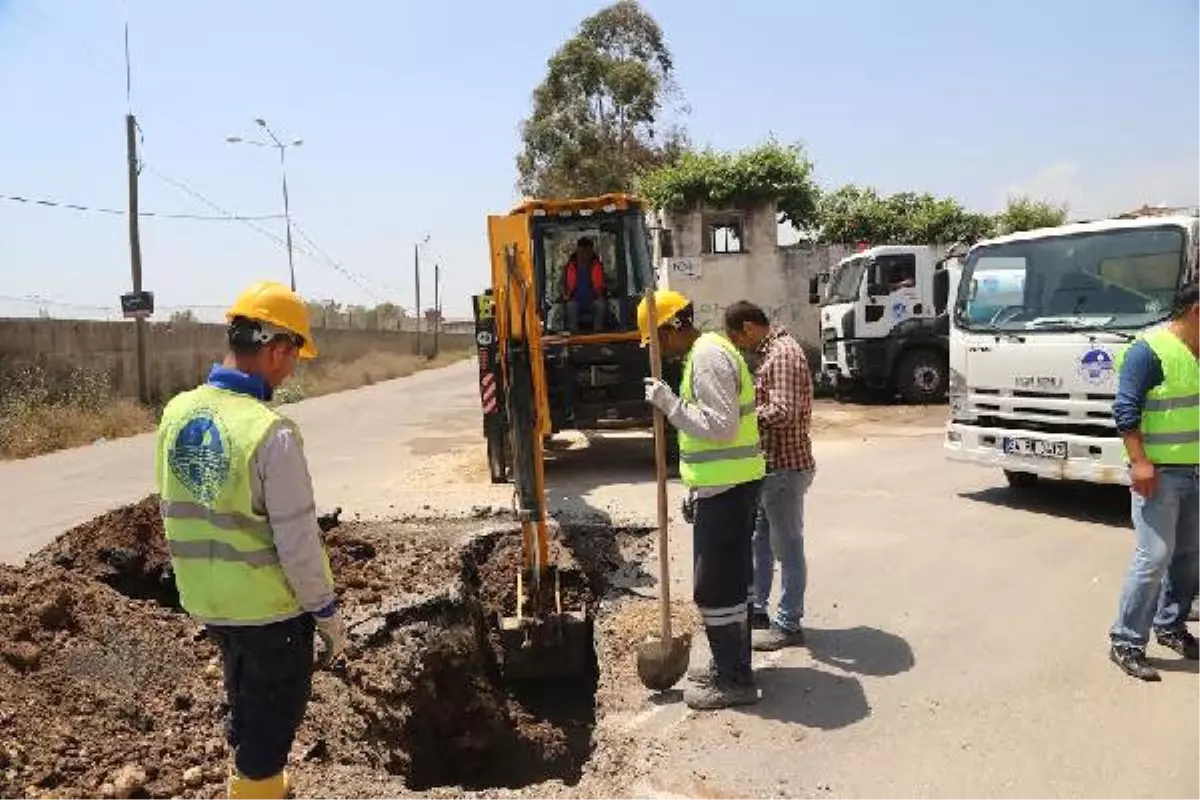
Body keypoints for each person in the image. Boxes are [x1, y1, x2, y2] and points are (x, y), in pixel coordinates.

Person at [156, 280, 346, 798]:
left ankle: (256, 782)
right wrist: (327, 615)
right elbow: (299, 542)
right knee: (269, 735)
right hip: (269, 613)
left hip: (208, 603)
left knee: (247, 706)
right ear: (276, 349)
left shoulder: (176, 413)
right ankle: (257, 787)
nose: (290, 372)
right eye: (293, 358)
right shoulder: (270, 433)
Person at [640, 289, 767, 710]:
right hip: (724, 487)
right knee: (731, 583)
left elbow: (720, 427)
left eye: (656, 339)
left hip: (729, 489)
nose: (658, 349)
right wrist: (697, 488)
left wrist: (670, 404)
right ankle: (730, 664)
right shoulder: (707, 352)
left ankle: (734, 680)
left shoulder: (708, 357)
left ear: (673, 326)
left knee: (715, 589)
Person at [1109, 282, 1200, 682]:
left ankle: (1171, 626)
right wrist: (1139, 462)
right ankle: (1126, 641)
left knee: (1190, 556)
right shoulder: (1149, 351)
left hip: (1196, 472)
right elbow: (1125, 408)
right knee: (1154, 556)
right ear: (1197, 311)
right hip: (1159, 475)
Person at [724, 301, 815, 651]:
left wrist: (742, 416)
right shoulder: (772, 353)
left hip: (785, 467)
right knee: (760, 541)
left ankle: (789, 622)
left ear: (748, 327)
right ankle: (758, 609)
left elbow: (784, 412)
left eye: (738, 339)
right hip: (770, 466)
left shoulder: (783, 355)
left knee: (787, 546)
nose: (740, 347)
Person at [560, 237, 609, 332]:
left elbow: (606, 283)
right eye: (582, 251)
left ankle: (598, 333)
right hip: (575, 300)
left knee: (601, 305)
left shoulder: (598, 267)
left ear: (591, 252)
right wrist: (564, 295)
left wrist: (605, 291)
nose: (584, 255)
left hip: (593, 301)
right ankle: (573, 333)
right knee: (570, 306)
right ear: (577, 251)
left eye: (587, 252)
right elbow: (561, 284)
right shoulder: (569, 267)